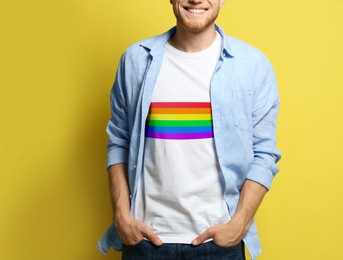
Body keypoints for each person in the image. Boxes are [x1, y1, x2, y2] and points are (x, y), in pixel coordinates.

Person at [97, 0, 281, 259]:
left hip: (219, 245)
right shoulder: (136, 60)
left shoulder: (252, 66)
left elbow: (264, 153)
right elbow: (119, 142)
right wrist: (122, 215)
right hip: (144, 242)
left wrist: (239, 222)